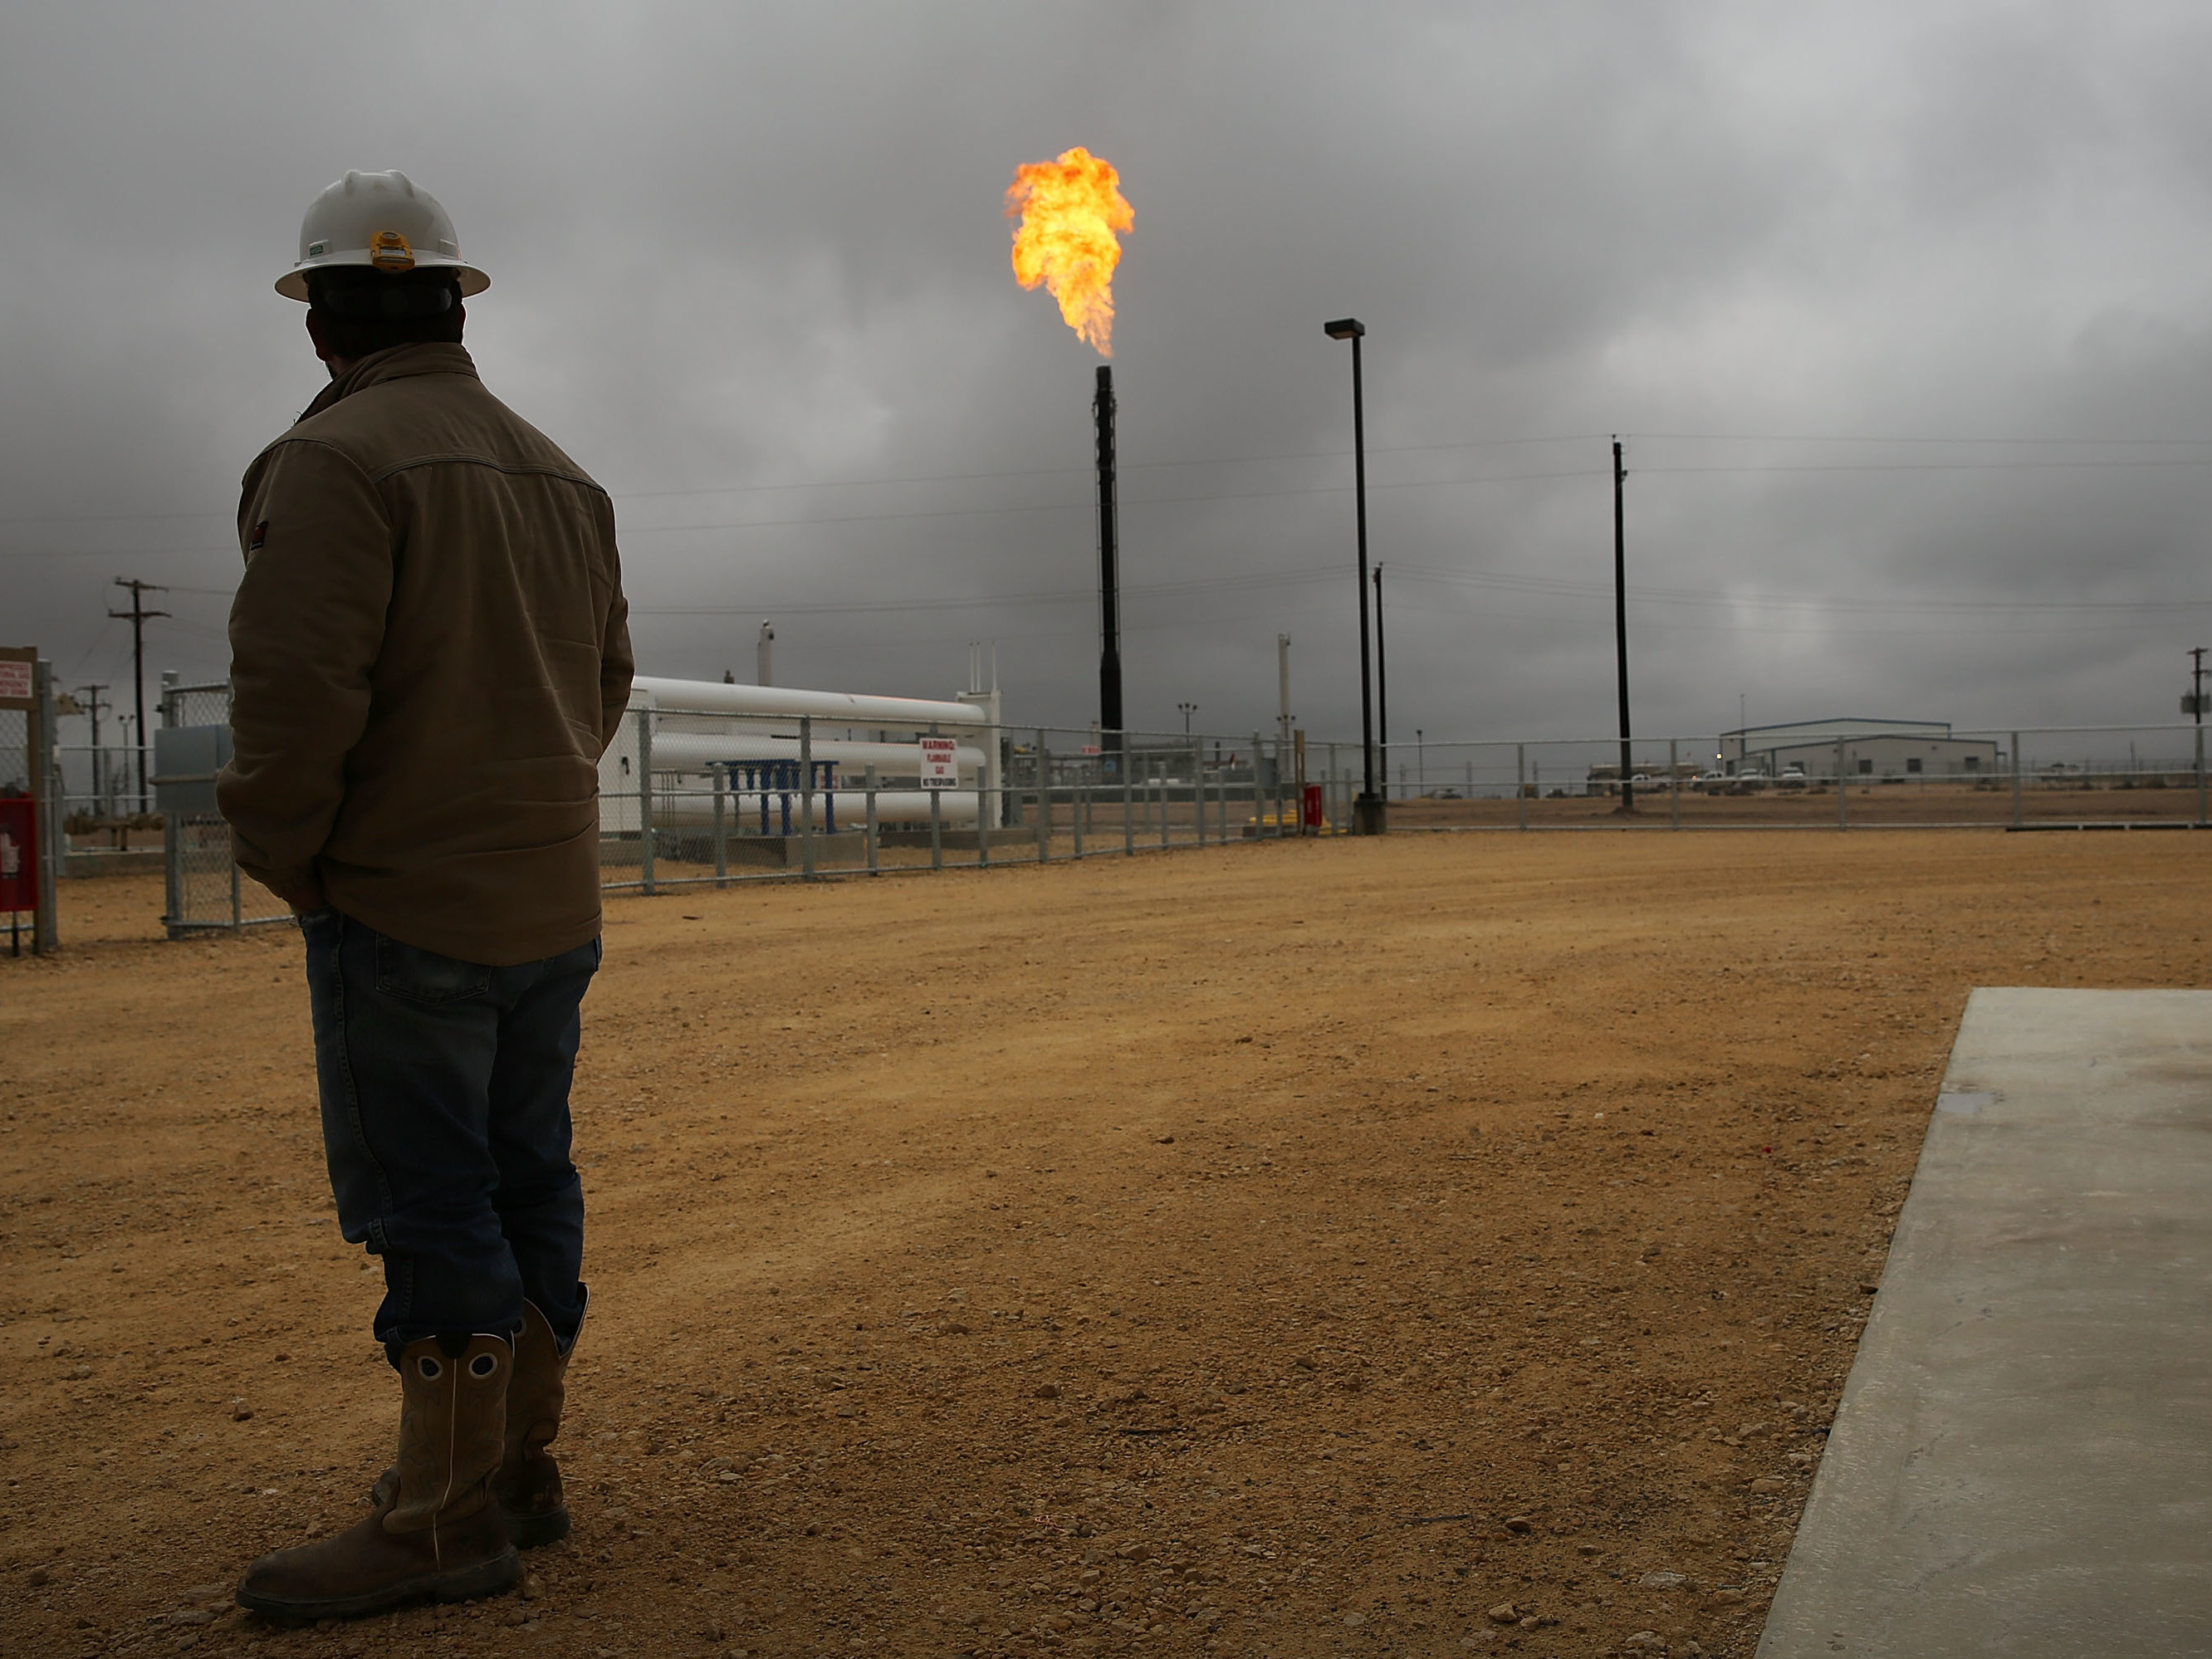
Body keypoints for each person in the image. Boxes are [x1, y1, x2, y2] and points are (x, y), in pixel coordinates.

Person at [218, 169, 633, 1620]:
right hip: (549, 902)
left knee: (436, 1195)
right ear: (458, 303)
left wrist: (310, 862)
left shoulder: (332, 464)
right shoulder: (561, 474)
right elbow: (605, 687)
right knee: (531, 1176)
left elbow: (288, 706)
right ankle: (519, 1470)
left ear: (319, 319)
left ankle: (446, 1520)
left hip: (407, 906)